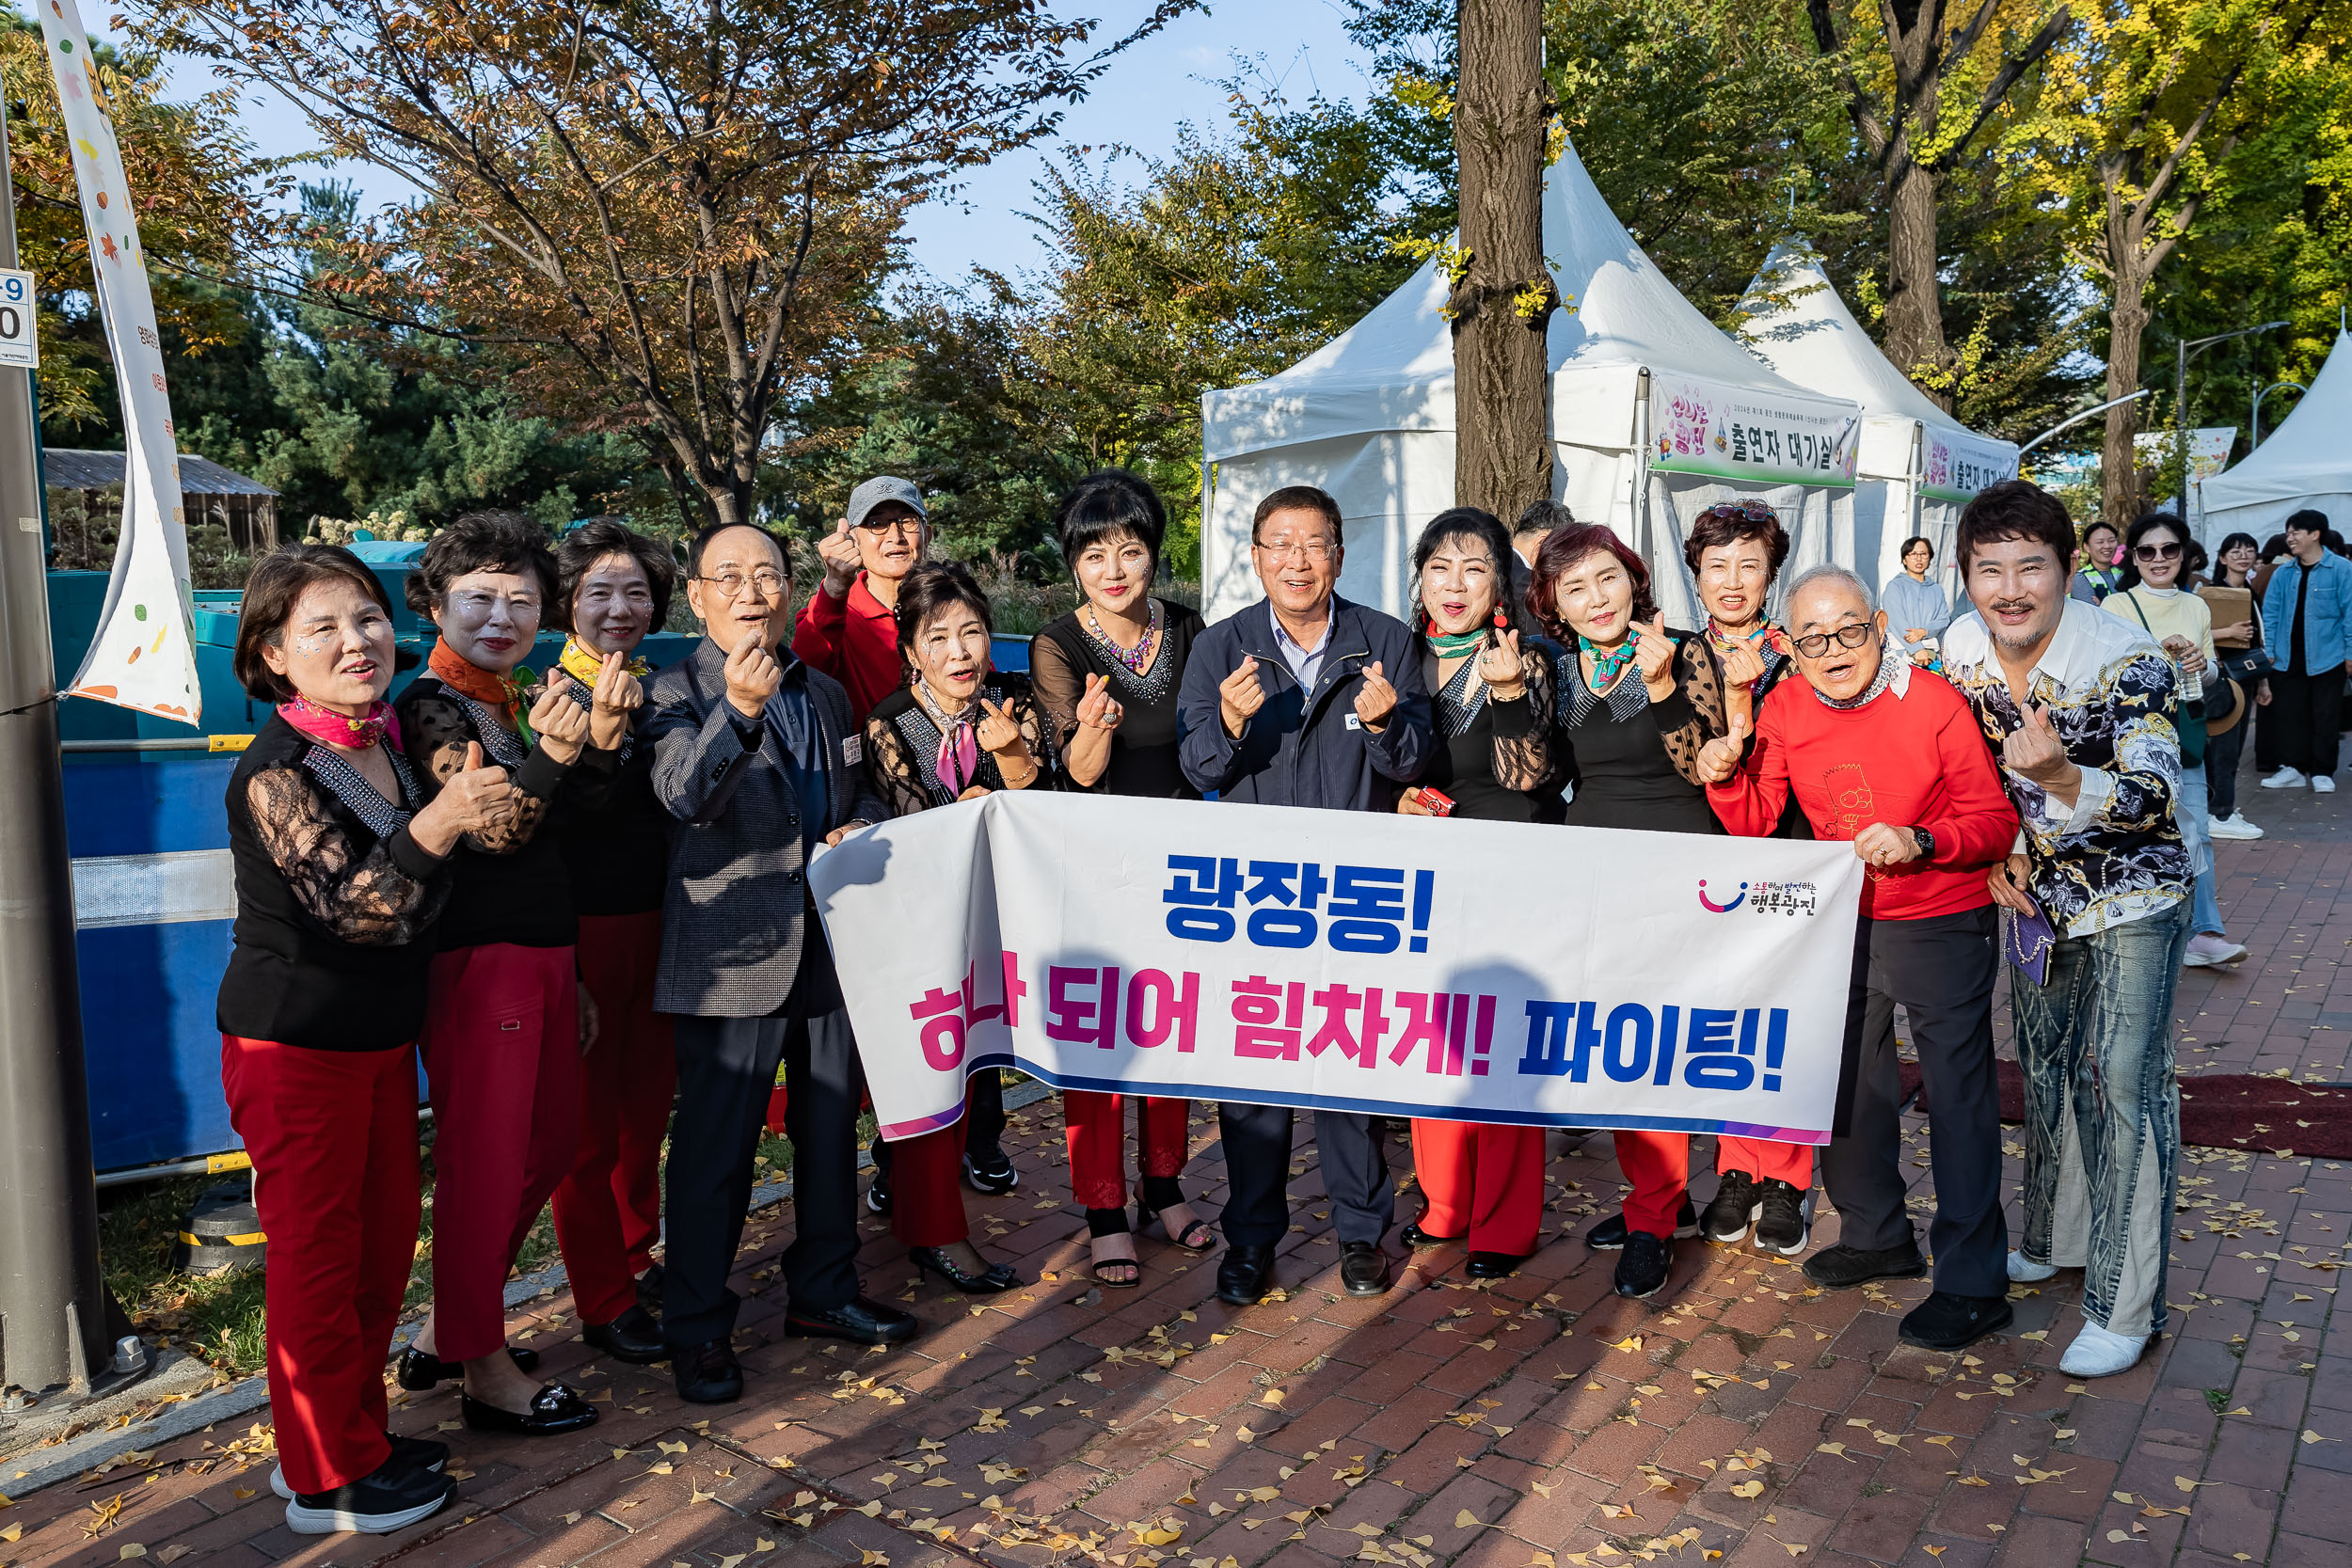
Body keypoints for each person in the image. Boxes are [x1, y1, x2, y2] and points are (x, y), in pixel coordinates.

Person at [220, 546, 516, 1533]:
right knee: (316, 1256)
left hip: (380, 1045)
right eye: (323, 627)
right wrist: (444, 819)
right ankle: (322, 1477)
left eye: (368, 618)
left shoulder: (384, 740)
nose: (356, 641)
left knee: (381, 1246)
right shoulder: (276, 771)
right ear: (271, 652)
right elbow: (361, 911)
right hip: (294, 1047)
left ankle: (355, 1435)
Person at [1694, 564, 2020, 1349]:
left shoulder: (1933, 702)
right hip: (1842, 915)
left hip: (1939, 913)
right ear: (1793, 646)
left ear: (1878, 626)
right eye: (1812, 638)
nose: (1833, 650)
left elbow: (1993, 819)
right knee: (1847, 1083)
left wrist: (1925, 839)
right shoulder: (1786, 703)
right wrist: (1724, 769)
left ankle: (1975, 1281)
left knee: (1957, 1095)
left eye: (1847, 631)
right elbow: (1756, 817)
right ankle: (1877, 1233)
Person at [644, 522, 914, 1404]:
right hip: (730, 959)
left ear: (790, 586)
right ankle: (696, 1326)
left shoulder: (826, 692)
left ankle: (825, 1291)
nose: (751, 591)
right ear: (697, 596)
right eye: (730, 576)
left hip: (831, 944)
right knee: (715, 1153)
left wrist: (862, 821)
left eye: (767, 574)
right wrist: (742, 710)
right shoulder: (671, 692)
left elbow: (858, 785)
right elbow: (686, 793)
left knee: (830, 1128)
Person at [1945, 479, 2192, 1378]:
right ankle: (2056, 1235)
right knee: (2045, 1066)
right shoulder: (1960, 649)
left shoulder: (2127, 659)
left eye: (2031, 567)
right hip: (2033, 899)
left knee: (2122, 1080)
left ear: (2070, 569)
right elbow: (1961, 769)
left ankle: (2127, 1305)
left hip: (2132, 894)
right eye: (1990, 568)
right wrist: (1995, 844)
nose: (2011, 587)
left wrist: (2060, 778)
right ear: (1967, 576)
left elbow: (2154, 794)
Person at [1177, 483, 1434, 1305]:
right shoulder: (1222, 646)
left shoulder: (1385, 641)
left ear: (1339, 555)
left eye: (1313, 543)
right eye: (1279, 544)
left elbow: (1413, 763)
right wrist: (1225, 722)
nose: (1296, 559)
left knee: (1350, 1072)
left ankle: (1362, 1231)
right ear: (1255, 558)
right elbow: (1198, 768)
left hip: (1356, 894)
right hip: (1257, 900)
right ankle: (1251, 1238)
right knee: (1252, 1079)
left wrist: (1392, 723)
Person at [393, 513, 604, 1437]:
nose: (502, 614)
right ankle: (482, 1366)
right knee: (486, 1165)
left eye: (522, 598)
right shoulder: (429, 702)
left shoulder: (512, 698)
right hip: (480, 964)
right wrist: (561, 754)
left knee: (550, 1143)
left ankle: (449, 1322)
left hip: (547, 953)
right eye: (479, 595)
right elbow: (494, 830)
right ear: (436, 602)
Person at [803, 477, 1018, 1200]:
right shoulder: (844, 610)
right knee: (909, 1001)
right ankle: (901, 1148)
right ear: (853, 536)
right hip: (880, 804)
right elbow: (809, 664)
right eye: (878, 525)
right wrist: (830, 592)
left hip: (959, 785)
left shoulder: (945, 597)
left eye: (908, 522)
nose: (895, 536)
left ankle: (981, 1137)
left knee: (978, 985)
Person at [1525, 522, 1724, 1297]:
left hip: (1678, 866)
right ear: (1555, 605)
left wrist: (1668, 683)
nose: (1595, 598)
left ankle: (1649, 1217)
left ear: (1633, 580)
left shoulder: (1682, 648)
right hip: (1595, 871)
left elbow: (1699, 762)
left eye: (1607, 578)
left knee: (1660, 1047)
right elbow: (1535, 774)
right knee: (1616, 1046)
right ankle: (1662, 1200)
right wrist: (1511, 697)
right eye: (1574, 587)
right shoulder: (1558, 668)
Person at [1028, 471, 1215, 1288]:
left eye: (1130, 550)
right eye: (1095, 552)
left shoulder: (1187, 625)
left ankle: (1164, 1183)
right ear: (1074, 562)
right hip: (1095, 865)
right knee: (1102, 1038)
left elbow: (1208, 741)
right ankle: (1105, 1209)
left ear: (1154, 555)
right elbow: (1074, 770)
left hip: (1176, 862)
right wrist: (1095, 729)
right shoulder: (1057, 646)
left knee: (1170, 1030)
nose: (1114, 568)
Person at [865, 561, 1048, 1294]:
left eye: (971, 631)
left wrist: (1011, 758)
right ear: (911, 649)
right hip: (922, 927)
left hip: (1004, 919)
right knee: (927, 1074)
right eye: (937, 637)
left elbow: (1056, 797)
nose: (960, 653)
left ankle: (935, 1208)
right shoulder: (888, 721)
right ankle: (934, 1228)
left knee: (977, 1066)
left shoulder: (1016, 700)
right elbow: (905, 818)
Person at [1392, 507, 1558, 1278]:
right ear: (1419, 578)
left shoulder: (1534, 655)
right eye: (1439, 567)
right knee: (1432, 1040)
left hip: (1512, 873)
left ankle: (1503, 1221)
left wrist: (1509, 692)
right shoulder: (1396, 657)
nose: (1453, 585)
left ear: (1502, 584)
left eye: (1474, 568)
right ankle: (1444, 1202)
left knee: (1502, 1047)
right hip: (1423, 878)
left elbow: (1530, 776)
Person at [546, 522, 675, 1366]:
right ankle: (601, 1295)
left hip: (660, 926)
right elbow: (546, 831)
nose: (620, 608)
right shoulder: (545, 691)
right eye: (600, 591)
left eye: (635, 592)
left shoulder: (662, 687)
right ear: (568, 603)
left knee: (644, 1114)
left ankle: (636, 1255)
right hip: (580, 934)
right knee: (585, 1131)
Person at [1678, 501, 1818, 1251]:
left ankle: (1789, 1174)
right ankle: (1736, 1165)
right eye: (1718, 564)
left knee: (1787, 1015)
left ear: (1771, 574)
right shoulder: (1673, 653)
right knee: (1723, 1017)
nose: (1733, 580)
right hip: (1707, 854)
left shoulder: (1800, 652)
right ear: (1696, 572)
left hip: (1791, 849)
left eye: (1750, 564)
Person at [2109, 513, 2247, 968]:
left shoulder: (2197, 606)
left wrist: (2195, 661)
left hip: (2182, 732)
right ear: (2133, 557)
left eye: (2169, 549)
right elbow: (2106, 675)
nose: (2159, 559)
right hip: (2129, 739)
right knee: (2138, 835)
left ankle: (2205, 932)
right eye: (2147, 551)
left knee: (2198, 834)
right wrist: (2155, 653)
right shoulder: (2116, 606)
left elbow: (2208, 673)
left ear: (2184, 554)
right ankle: (2141, 929)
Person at [2259, 508, 2352, 794]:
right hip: (2286, 658)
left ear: (2315, 534)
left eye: (2295, 532)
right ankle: (2293, 768)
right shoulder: (2282, 573)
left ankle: (2323, 771)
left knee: (2326, 715)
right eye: (2288, 533)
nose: (2290, 538)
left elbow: (2350, 614)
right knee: (2289, 715)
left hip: (2329, 656)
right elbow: (2271, 614)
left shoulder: (2341, 569)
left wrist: (2349, 653)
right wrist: (2270, 651)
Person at [2201, 531, 2266, 839]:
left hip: (2247, 678)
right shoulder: (2211, 593)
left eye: (2249, 550)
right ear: (2223, 557)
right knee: (2223, 749)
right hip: (2222, 679)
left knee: (2235, 747)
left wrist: (2263, 682)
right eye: (2236, 551)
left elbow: (2256, 641)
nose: (2244, 555)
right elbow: (2195, 634)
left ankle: (2223, 808)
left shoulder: (2250, 591)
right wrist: (2229, 630)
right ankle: (2221, 813)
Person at [1882, 536, 1951, 663]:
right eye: (1913, 554)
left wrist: (1924, 631)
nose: (1919, 558)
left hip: (1931, 654)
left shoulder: (1936, 589)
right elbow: (1896, 620)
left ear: (1929, 558)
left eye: (1923, 554)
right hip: (1902, 653)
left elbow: (1944, 619)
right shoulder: (1895, 586)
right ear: (1904, 559)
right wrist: (1916, 649)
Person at [2068, 520, 2122, 604]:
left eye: (2111, 540)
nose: (2107, 546)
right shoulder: (2080, 578)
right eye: (2100, 542)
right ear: (2087, 547)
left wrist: (2102, 605)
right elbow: (2089, 614)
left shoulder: (2123, 574)